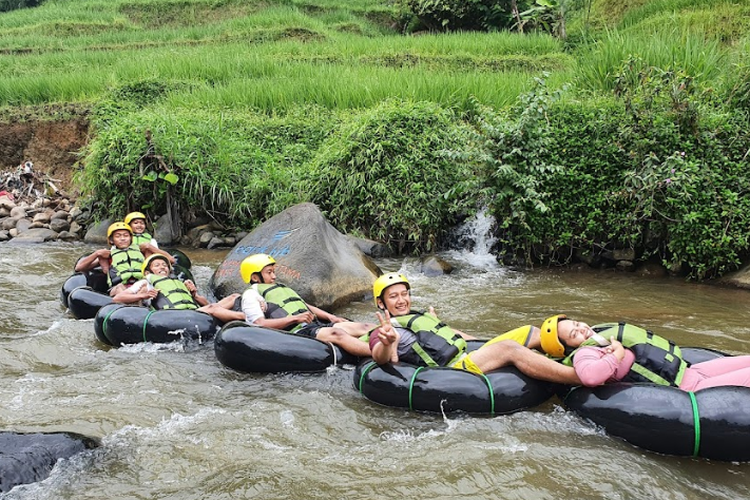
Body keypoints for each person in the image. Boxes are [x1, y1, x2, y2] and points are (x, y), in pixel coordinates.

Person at [495, 314, 750, 391]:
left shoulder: (600, 333)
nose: (582, 329)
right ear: (569, 347)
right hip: (687, 388)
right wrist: (616, 354)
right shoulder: (585, 354)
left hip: (690, 370)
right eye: (574, 334)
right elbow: (590, 378)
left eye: (576, 324)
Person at [370, 272, 554, 377]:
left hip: (468, 354)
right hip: (452, 371)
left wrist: (484, 343)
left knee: (531, 331)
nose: (402, 300)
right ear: (381, 303)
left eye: (405, 294)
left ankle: (571, 355)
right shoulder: (385, 330)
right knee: (510, 349)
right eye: (393, 296)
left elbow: (449, 333)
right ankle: (574, 376)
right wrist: (387, 342)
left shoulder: (419, 316)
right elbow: (382, 357)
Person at [239, 253, 374, 357]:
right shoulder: (251, 295)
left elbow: (306, 305)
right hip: (297, 332)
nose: (274, 276)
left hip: (314, 324)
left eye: (273, 272)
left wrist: (331, 317)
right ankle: (379, 354)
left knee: (364, 326)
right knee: (337, 333)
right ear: (255, 277)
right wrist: (295, 319)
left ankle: (393, 335)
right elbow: (259, 324)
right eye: (269, 272)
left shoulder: (280, 288)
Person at [114, 254, 244, 324]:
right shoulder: (146, 281)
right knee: (213, 309)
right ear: (148, 272)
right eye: (157, 265)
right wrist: (143, 296)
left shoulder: (178, 281)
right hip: (173, 316)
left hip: (193, 311)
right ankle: (248, 319)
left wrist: (195, 295)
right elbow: (118, 298)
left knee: (234, 296)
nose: (162, 267)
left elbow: (208, 304)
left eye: (165, 265)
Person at [74, 222, 156, 296]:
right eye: (118, 236)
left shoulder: (141, 251)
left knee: (144, 287)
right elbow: (79, 268)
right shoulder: (108, 255)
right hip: (119, 288)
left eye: (126, 235)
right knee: (120, 288)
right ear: (111, 240)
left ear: (131, 238)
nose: (123, 238)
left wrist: (151, 248)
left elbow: (165, 260)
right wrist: (96, 254)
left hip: (139, 284)